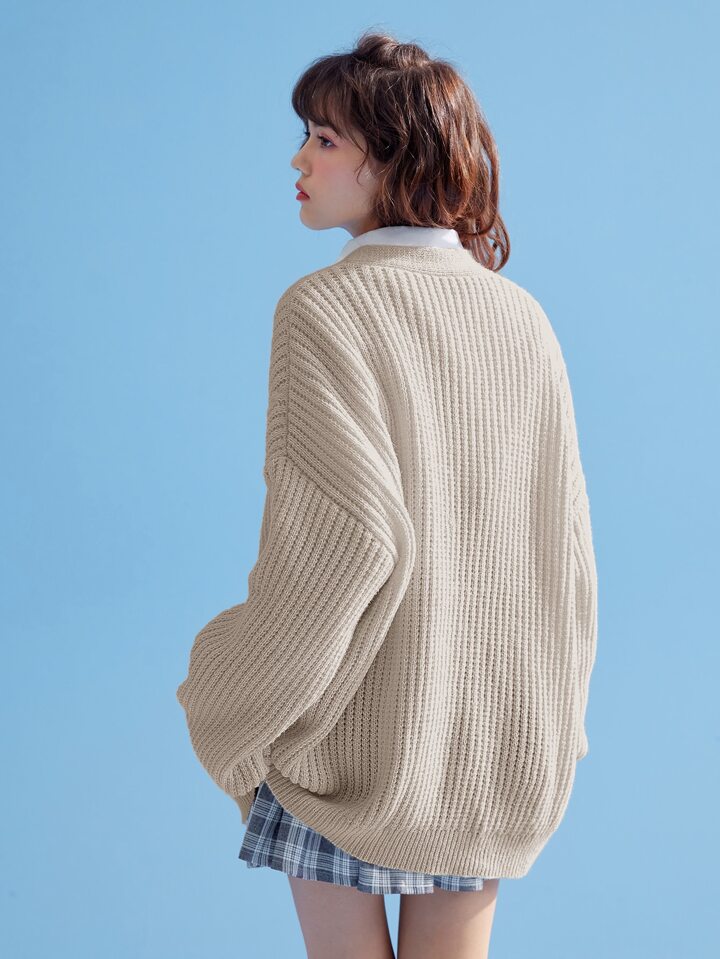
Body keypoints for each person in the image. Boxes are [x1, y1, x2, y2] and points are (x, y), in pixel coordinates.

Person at [176, 30, 598, 959]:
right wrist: (554, 724)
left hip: (352, 736)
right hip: (493, 737)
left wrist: (226, 683)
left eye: (325, 139)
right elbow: (566, 552)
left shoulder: (324, 308)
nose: (299, 160)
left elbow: (338, 547)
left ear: (396, 157)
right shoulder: (522, 317)